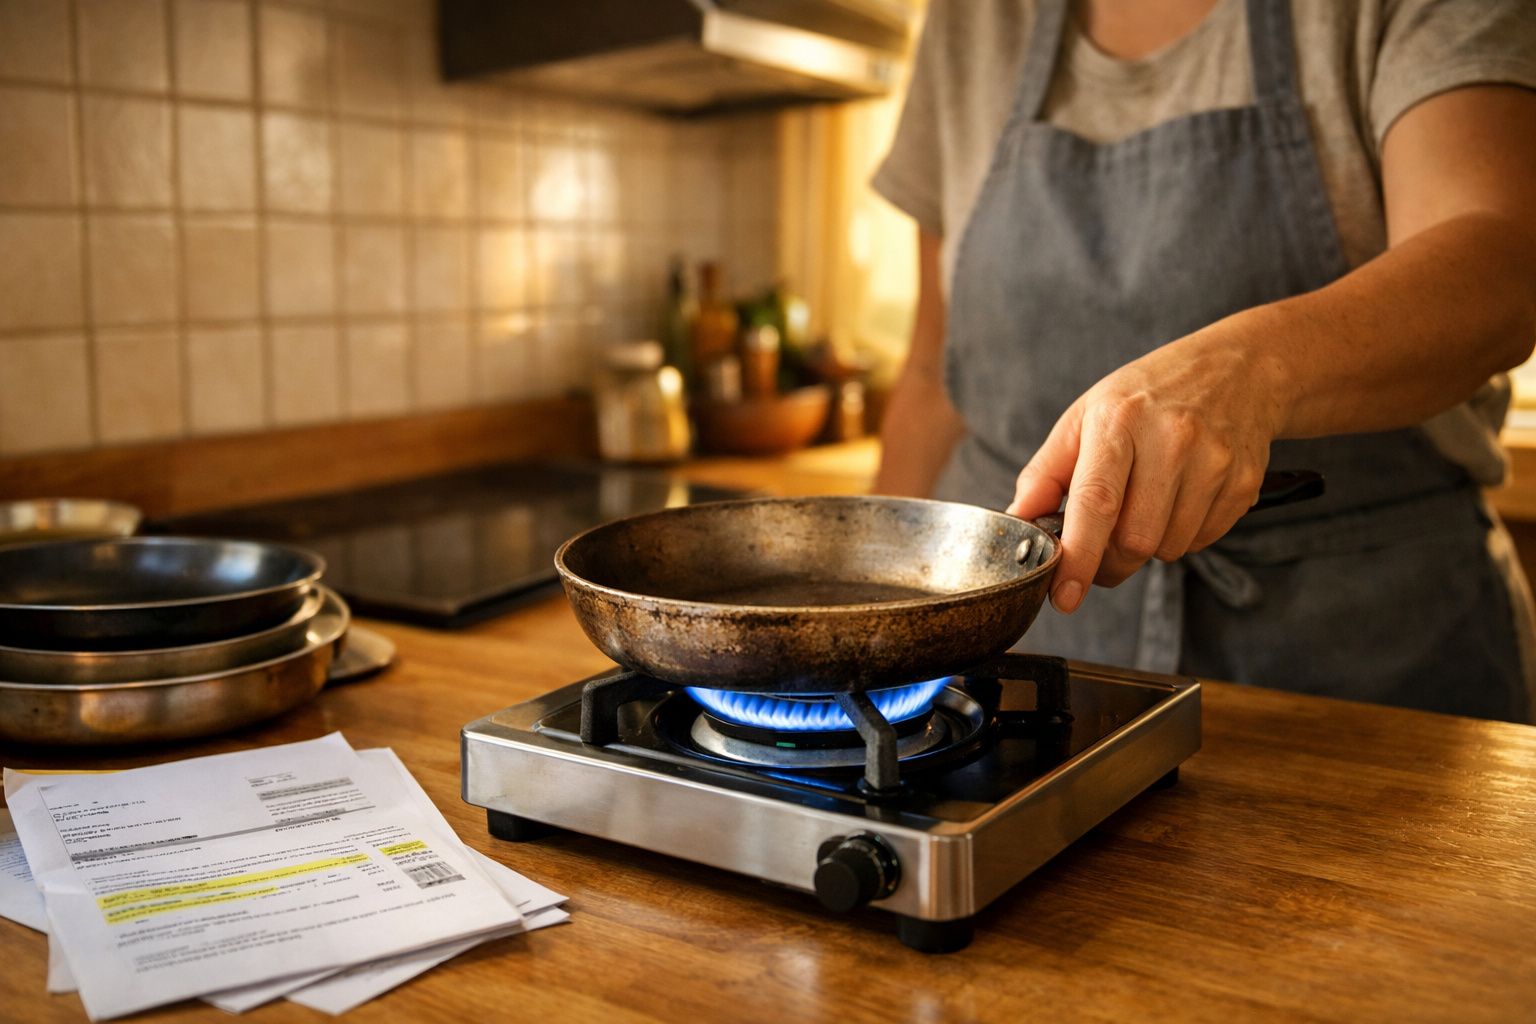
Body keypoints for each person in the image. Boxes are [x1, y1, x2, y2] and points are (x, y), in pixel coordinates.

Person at [870, 0, 1536, 721]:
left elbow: (1503, 266)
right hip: (1028, 666)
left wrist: (1252, 370)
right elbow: (933, 375)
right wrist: (873, 621)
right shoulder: (970, 17)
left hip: (1367, 665)